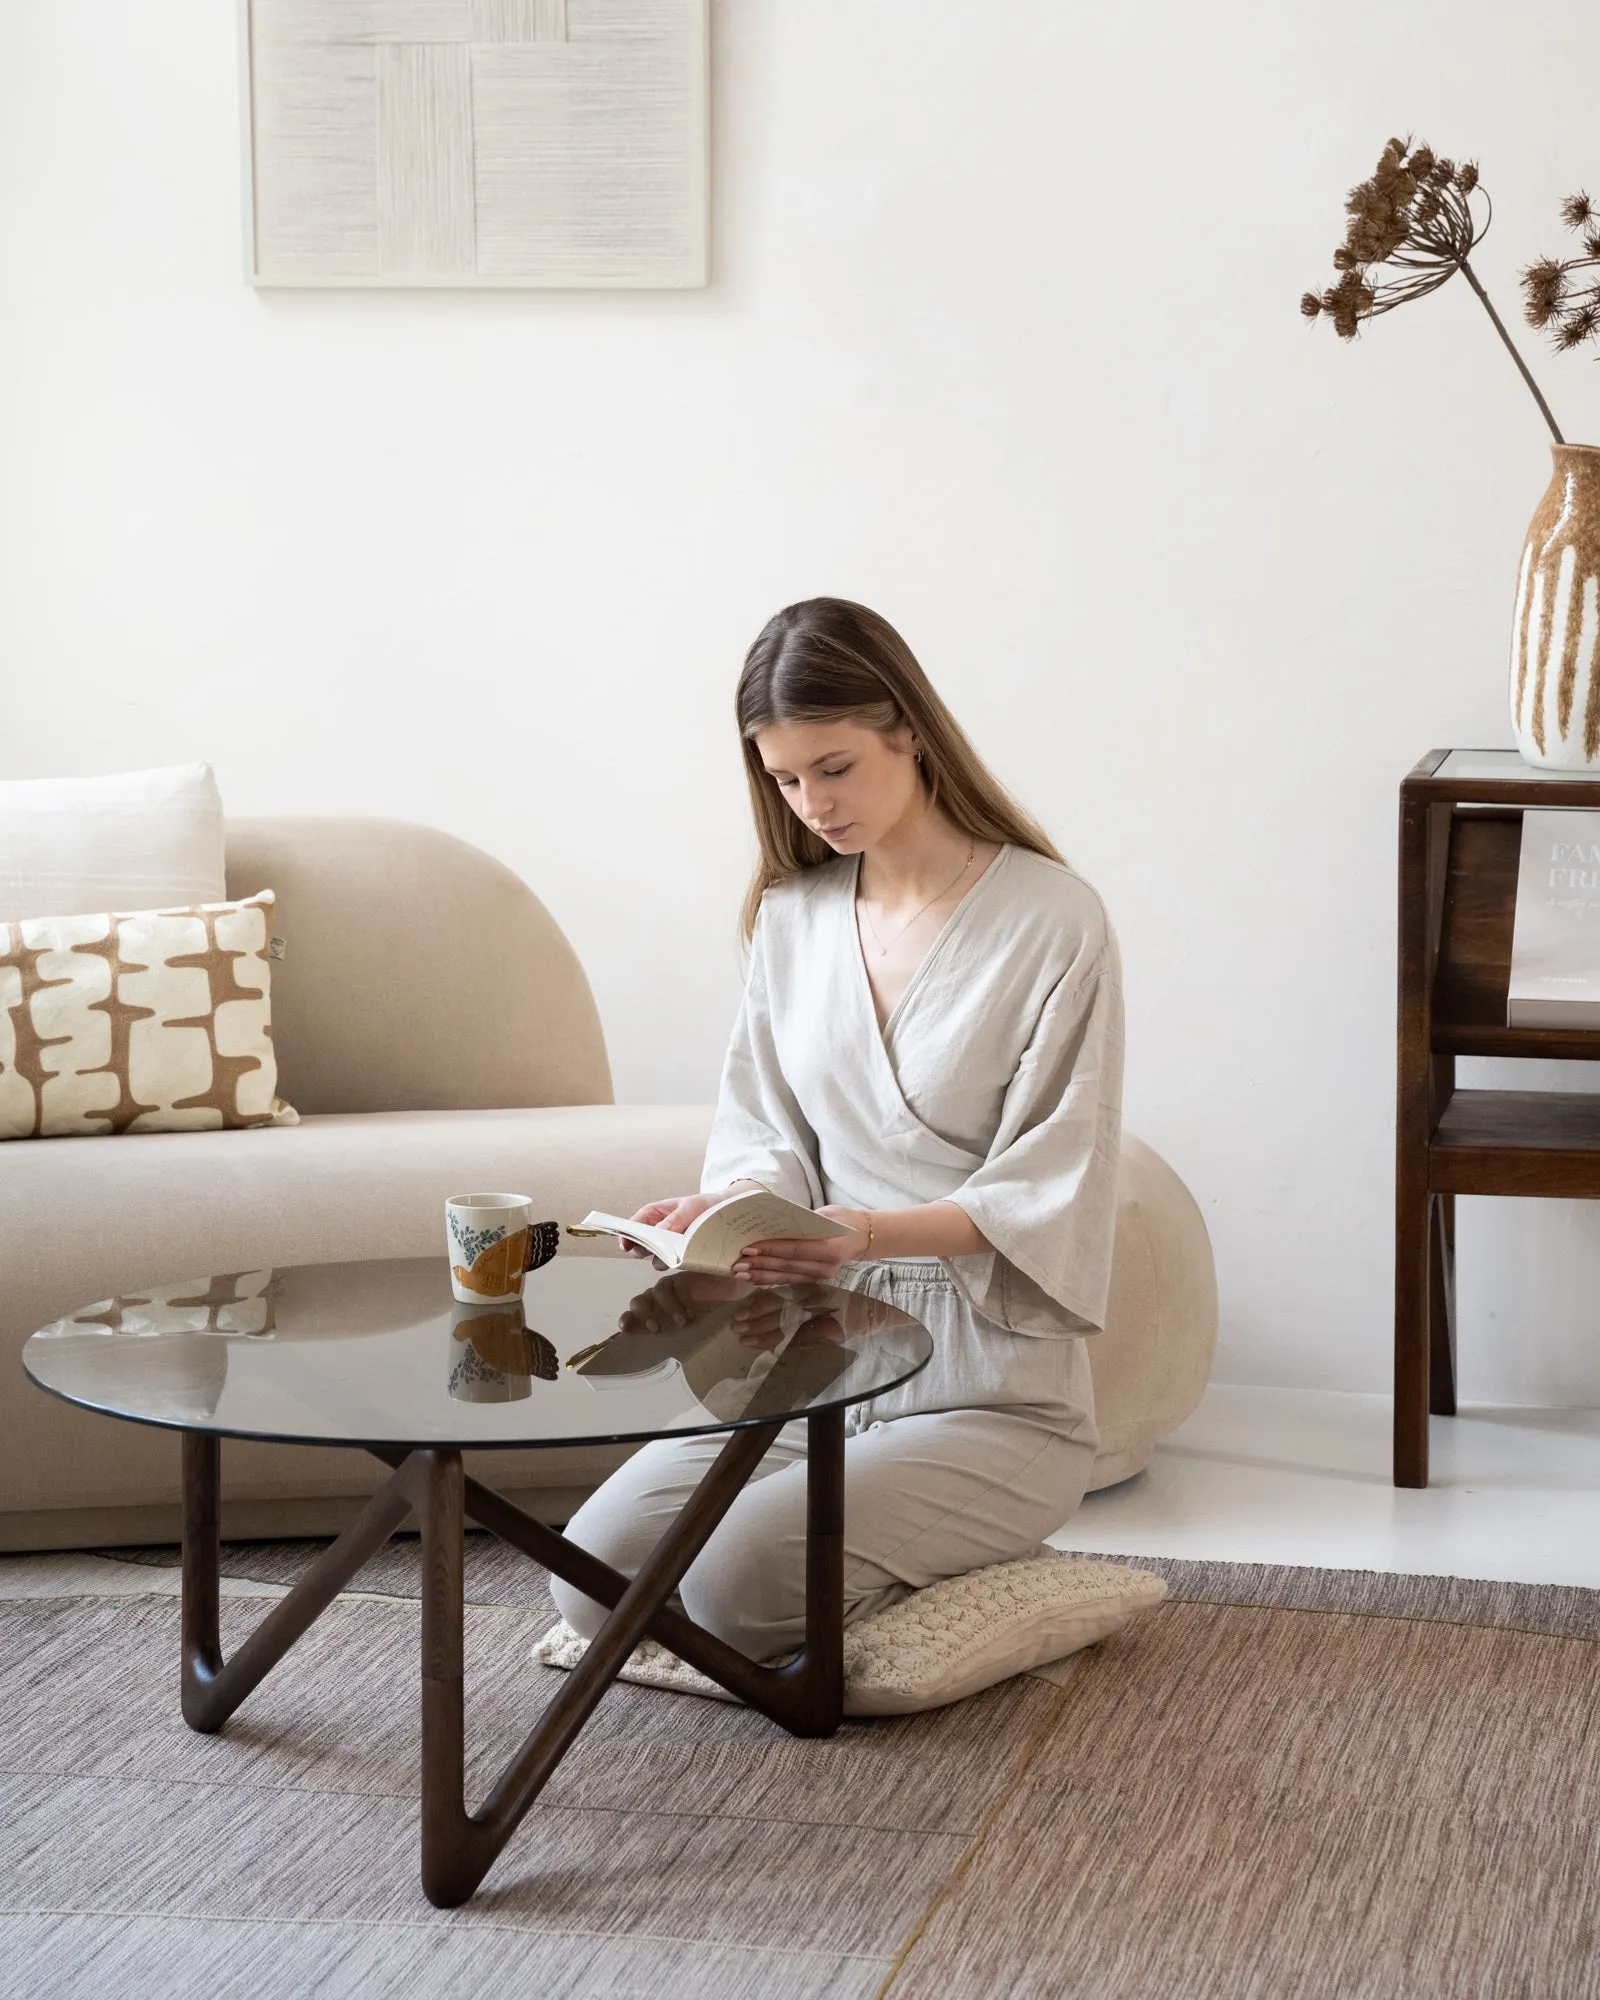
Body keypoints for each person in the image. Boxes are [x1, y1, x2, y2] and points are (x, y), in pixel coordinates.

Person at [548, 596, 1124, 1662]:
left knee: (739, 1588)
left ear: (907, 729)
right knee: (590, 1582)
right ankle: (866, 1566)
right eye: (783, 779)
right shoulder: (791, 915)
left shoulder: (1053, 918)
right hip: (807, 1352)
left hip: (991, 1386)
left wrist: (862, 1231)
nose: (811, 802)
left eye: (834, 765)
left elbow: (1056, 1177)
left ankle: (957, 1585)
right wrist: (721, 1213)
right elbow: (763, 1125)